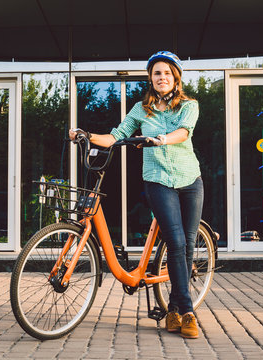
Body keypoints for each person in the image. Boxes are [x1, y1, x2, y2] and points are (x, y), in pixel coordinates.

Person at [69, 50, 203, 339]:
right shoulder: (141, 110)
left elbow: (184, 133)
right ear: (151, 79)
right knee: (176, 242)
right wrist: (87, 135)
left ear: (175, 78)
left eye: (167, 73)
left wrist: (161, 139)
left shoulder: (189, 105)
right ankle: (188, 312)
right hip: (158, 180)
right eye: (157, 73)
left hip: (190, 179)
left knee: (188, 245)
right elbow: (115, 135)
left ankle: (175, 310)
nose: (162, 77)